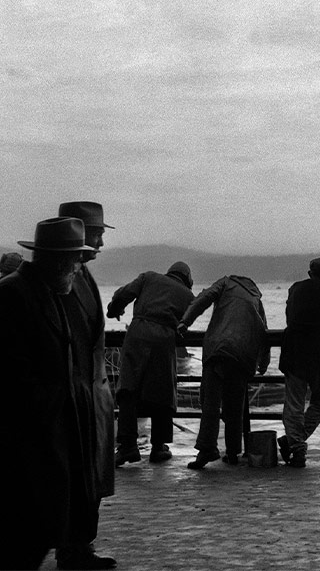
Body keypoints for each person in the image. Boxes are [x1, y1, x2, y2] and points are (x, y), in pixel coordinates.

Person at [0, 217, 97, 569]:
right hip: (29, 437)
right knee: (24, 537)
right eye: (75, 260)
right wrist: (52, 406)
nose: (78, 268)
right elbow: (13, 374)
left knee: (38, 532)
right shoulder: (13, 294)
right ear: (59, 260)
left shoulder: (50, 290)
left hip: (51, 432)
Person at [55, 201, 117, 570]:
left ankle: (78, 544)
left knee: (87, 473)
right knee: (75, 474)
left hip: (89, 392)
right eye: (97, 234)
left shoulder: (81, 277)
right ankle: (71, 547)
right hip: (75, 393)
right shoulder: (65, 281)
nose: (101, 243)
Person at [107, 262, 195, 466]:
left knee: (128, 390)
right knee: (162, 393)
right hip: (164, 340)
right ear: (188, 279)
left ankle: (128, 446)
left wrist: (114, 309)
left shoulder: (149, 277)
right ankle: (158, 447)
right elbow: (186, 324)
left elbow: (123, 294)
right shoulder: (188, 296)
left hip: (137, 334)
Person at [178, 275, 271, 469]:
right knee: (235, 406)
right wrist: (263, 363)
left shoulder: (226, 283)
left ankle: (207, 450)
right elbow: (264, 332)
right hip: (243, 357)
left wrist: (185, 322)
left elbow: (202, 299)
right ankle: (232, 452)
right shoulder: (256, 299)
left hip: (218, 349)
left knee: (210, 403)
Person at [278, 258, 320, 467]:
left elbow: (290, 317)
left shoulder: (296, 288)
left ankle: (295, 443)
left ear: (310, 273)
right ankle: (294, 442)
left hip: (294, 351)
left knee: (294, 403)